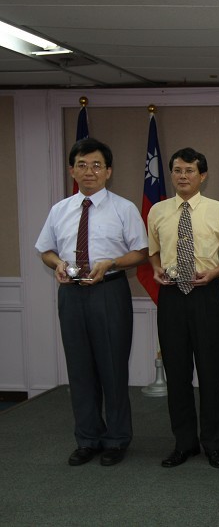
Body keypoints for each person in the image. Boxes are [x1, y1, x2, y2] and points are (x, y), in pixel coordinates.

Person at [35, 138, 148, 467]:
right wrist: (56, 263)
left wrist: (110, 263)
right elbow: (45, 249)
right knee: (80, 370)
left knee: (112, 368)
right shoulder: (60, 209)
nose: (89, 171)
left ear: (108, 171)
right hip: (70, 294)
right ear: (72, 169)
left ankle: (116, 438)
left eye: (97, 165)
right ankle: (87, 438)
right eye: (82, 165)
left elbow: (141, 253)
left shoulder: (123, 208)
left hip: (109, 292)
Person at [147, 147, 219, 469]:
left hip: (205, 295)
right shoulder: (157, 210)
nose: (183, 176)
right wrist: (156, 267)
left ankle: (213, 443)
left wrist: (215, 272)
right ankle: (185, 443)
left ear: (203, 175)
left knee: (211, 373)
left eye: (189, 171)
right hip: (171, 296)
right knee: (178, 373)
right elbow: (153, 251)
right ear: (171, 174)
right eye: (177, 171)